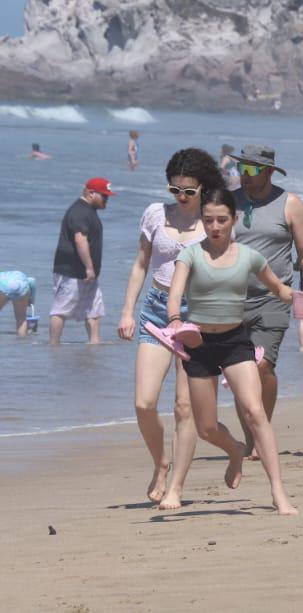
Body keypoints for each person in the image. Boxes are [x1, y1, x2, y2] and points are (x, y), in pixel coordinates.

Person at [163, 187, 297, 515]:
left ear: (234, 219)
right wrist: (176, 320)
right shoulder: (190, 255)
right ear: (201, 221)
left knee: (254, 412)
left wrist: (295, 296)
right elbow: (175, 293)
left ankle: (278, 492)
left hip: (235, 342)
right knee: (206, 427)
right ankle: (235, 450)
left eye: (222, 220)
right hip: (198, 345)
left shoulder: (249, 256)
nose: (215, 227)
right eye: (208, 221)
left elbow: (276, 286)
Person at [117, 149, 223, 504]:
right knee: (144, 403)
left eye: (188, 191)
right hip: (156, 310)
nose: (180, 196)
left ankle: (176, 486)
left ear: (202, 189)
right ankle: (160, 462)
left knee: (184, 407)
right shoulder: (154, 215)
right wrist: (127, 311)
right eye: (174, 188)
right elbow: (140, 265)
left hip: (197, 315)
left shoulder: (214, 221)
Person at [230, 145, 303, 457]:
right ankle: (253, 434)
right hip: (231, 300)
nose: (244, 175)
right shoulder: (230, 202)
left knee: (262, 365)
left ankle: (261, 428)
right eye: (241, 169)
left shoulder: (290, 204)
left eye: (252, 170)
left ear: (269, 171)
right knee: (240, 371)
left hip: (274, 297)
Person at [50, 177, 112, 345]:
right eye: (104, 196)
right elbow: (80, 240)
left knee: (94, 310)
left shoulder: (89, 211)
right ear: (91, 193)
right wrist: (89, 267)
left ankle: (94, 344)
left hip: (86, 274)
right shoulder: (80, 211)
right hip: (71, 271)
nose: (107, 200)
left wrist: (91, 270)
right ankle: (54, 345)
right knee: (61, 309)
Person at [0, 271, 37, 335]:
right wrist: (31, 301)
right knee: (21, 318)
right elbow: (32, 282)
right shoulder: (28, 280)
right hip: (21, 286)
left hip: (3, 286)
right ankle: (22, 341)